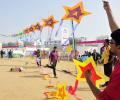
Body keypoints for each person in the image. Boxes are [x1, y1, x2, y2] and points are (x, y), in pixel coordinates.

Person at [84, 1, 120, 99]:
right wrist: (108, 9)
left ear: (118, 46)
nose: (109, 43)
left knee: (107, 76)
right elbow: (116, 32)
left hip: (108, 64)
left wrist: (88, 80)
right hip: (105, 63)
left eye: (111, 42)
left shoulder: (118, 75)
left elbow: (102, 97)